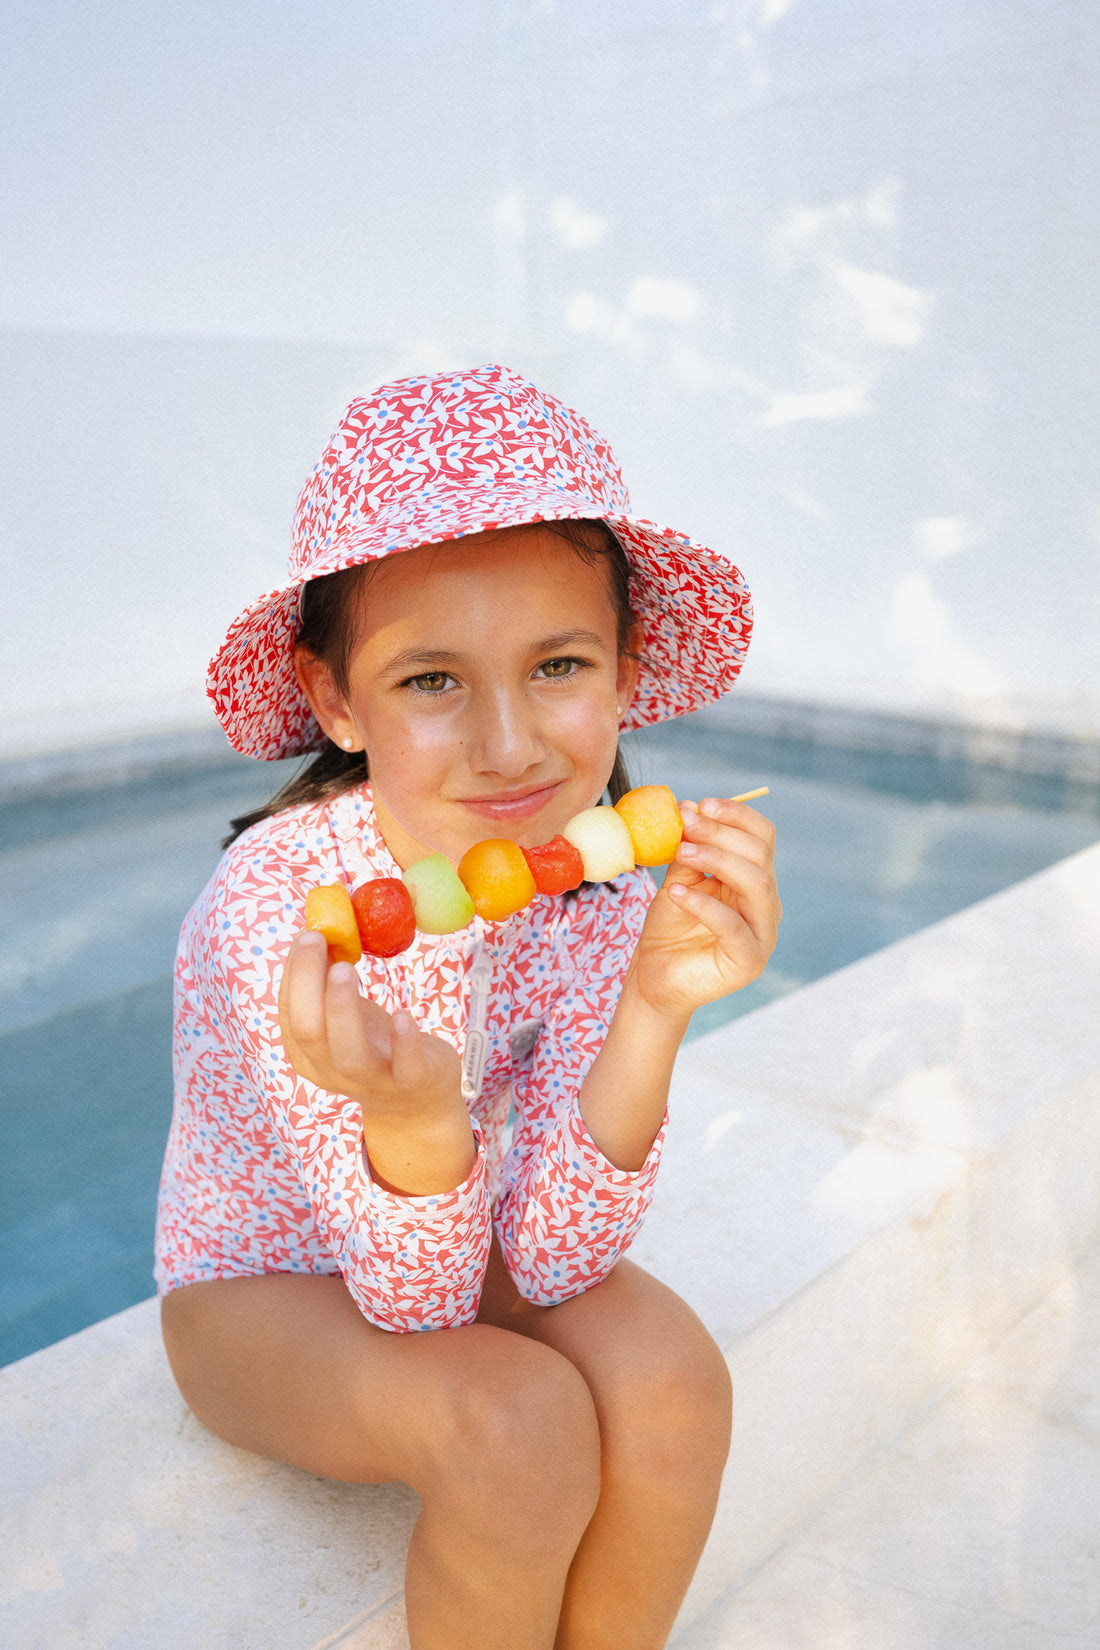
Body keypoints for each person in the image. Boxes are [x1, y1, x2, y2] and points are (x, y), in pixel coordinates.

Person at [156, 363, 780, 1650]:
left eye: (557, 665)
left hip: (475, 1236)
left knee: (672, 1385)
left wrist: (655, 1009)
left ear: (622, 674)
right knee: (515, 1430)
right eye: (431, 681)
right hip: (264, 1294)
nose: (510, 747)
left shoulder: (602, 875)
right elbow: (415, 1306)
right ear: (334, 700)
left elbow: (553, 1254)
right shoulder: (281, 914)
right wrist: (420, 1114)